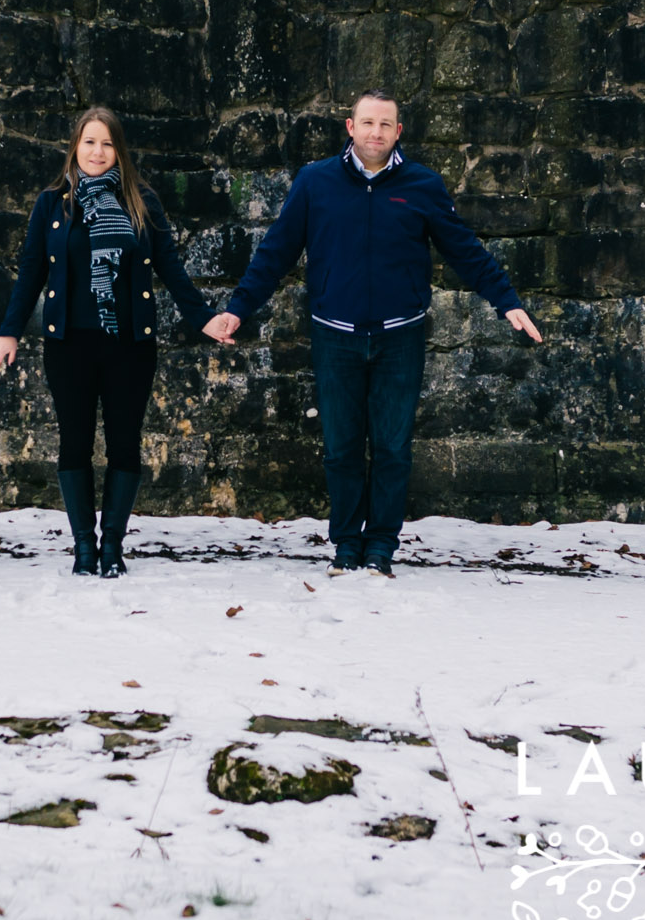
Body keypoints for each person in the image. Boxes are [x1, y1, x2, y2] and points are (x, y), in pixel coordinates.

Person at [203, 90, 542, 575]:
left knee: (391, 448)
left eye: (386, 124)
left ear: (398, 132)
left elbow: (464, 250)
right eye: (367, 123)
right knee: (341, 448)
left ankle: (381, 545)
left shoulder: (421, 185)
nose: (376, 132)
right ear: (350, 127)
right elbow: (275, 252)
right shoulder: (315, 182)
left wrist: (506, 300)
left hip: (398, 338)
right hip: (334, 335)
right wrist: (238, 309)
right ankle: (346, 543)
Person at [0, 107, 213, 577]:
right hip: (69, 344)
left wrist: (205, 319)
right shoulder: (53, 204)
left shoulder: (141, 201)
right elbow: (31, 271)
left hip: (129, 344)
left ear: (119, 151)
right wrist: (9, 330)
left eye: (107, 143)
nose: (97, 151)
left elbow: (169, 266)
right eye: (89, 142)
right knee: (74, 441)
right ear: (76, 146)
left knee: (125, 442)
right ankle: (84, 549)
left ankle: (112, 548)